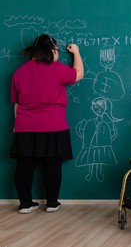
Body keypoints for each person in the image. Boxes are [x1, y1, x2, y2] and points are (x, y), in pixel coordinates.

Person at [10, 34, 84, 214]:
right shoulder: (57, 69)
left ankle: (25, 204)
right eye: (57, 50)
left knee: (24, 165)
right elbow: (79, 74)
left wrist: (17, 125)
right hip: (54, 125)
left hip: (25, 126)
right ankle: (51, 203)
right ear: (51, 50)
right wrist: (76, 52)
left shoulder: (19, 72)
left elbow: (17, 103)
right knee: (52, 165)